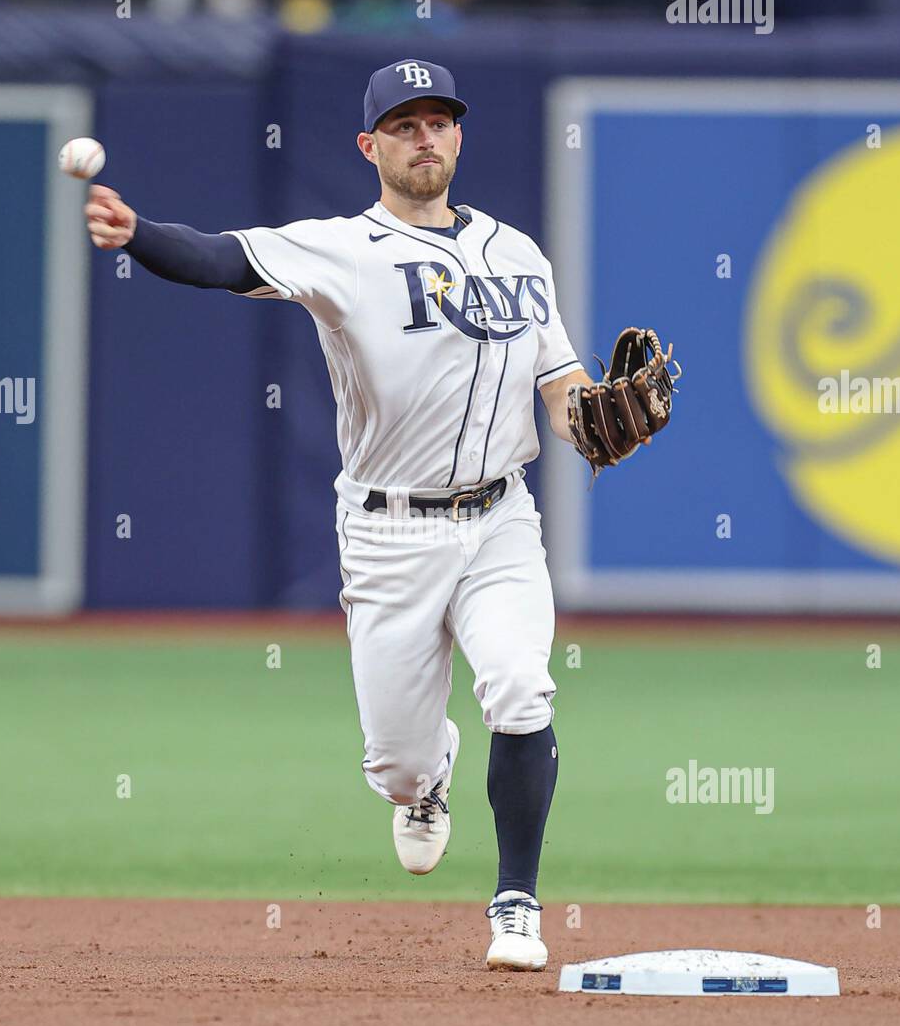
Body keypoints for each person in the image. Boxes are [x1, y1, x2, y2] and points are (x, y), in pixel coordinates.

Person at [83, 59, 599, 971]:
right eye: (403, 126)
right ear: (370, 147)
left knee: (520, 688)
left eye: (438, 121)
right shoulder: (339, 247)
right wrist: (137, 235)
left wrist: (589, 421)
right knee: (395, 762)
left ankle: (515, 901)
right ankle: (423, 781)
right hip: (387, 530)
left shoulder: (518, 252)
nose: (424, 137)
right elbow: (219, 257)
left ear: (459, 136)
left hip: (499, 519)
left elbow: (558, 382)